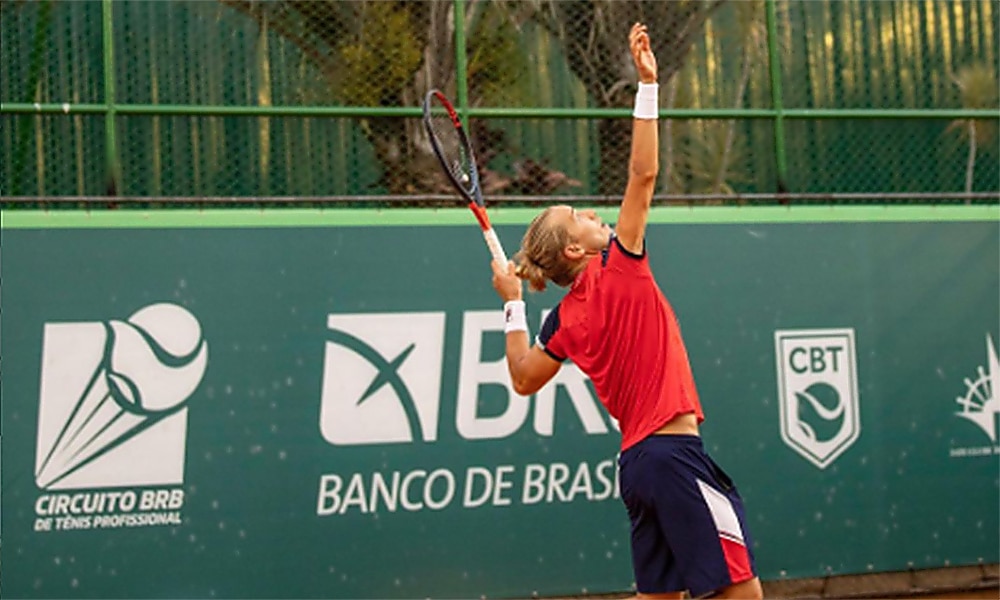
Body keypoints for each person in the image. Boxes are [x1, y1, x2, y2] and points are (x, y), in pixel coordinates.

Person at [490, 23, 764, 600]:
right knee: (742, 593)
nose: (593, 214)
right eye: (581, 217)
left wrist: (512, 305)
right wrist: (648, 85)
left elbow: (522, 378)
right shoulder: (619, 264)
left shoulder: (561, 322)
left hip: (638, 470)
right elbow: (643, 174)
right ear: (575, 249)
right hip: (675, 457)